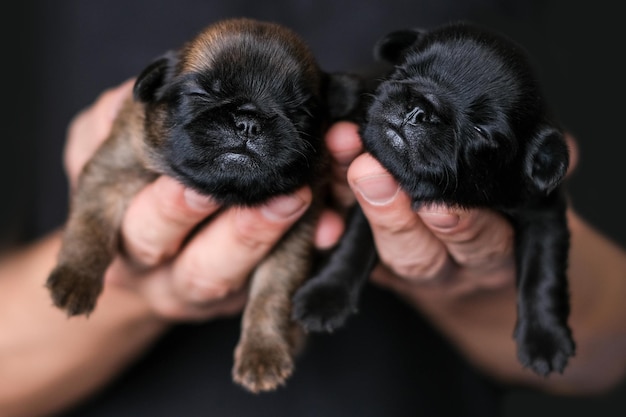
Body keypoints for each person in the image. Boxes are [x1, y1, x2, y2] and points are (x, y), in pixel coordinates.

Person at [1, 1, 625, 416]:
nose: (246, 128)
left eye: (289, 114)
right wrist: (110, 281)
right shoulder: (133, 122)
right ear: (153, 88)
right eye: (208, 100)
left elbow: (609, 353)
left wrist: (494, 290)